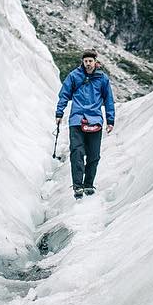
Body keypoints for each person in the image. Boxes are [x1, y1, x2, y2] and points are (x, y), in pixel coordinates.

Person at [56, 50, 115, 199]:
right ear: (82, 62)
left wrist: (110, 120)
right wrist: (59, 113)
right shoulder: (74, 76)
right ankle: (77, 186)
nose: (88, 63)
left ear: (95, 62)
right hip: (77, 120)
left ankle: (88, 184)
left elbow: (108, 100)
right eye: (86, 61)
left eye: (90, 61)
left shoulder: (103, 79)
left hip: (95, 120)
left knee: (94, 155)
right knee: (77, 153)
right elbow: (64, 94)